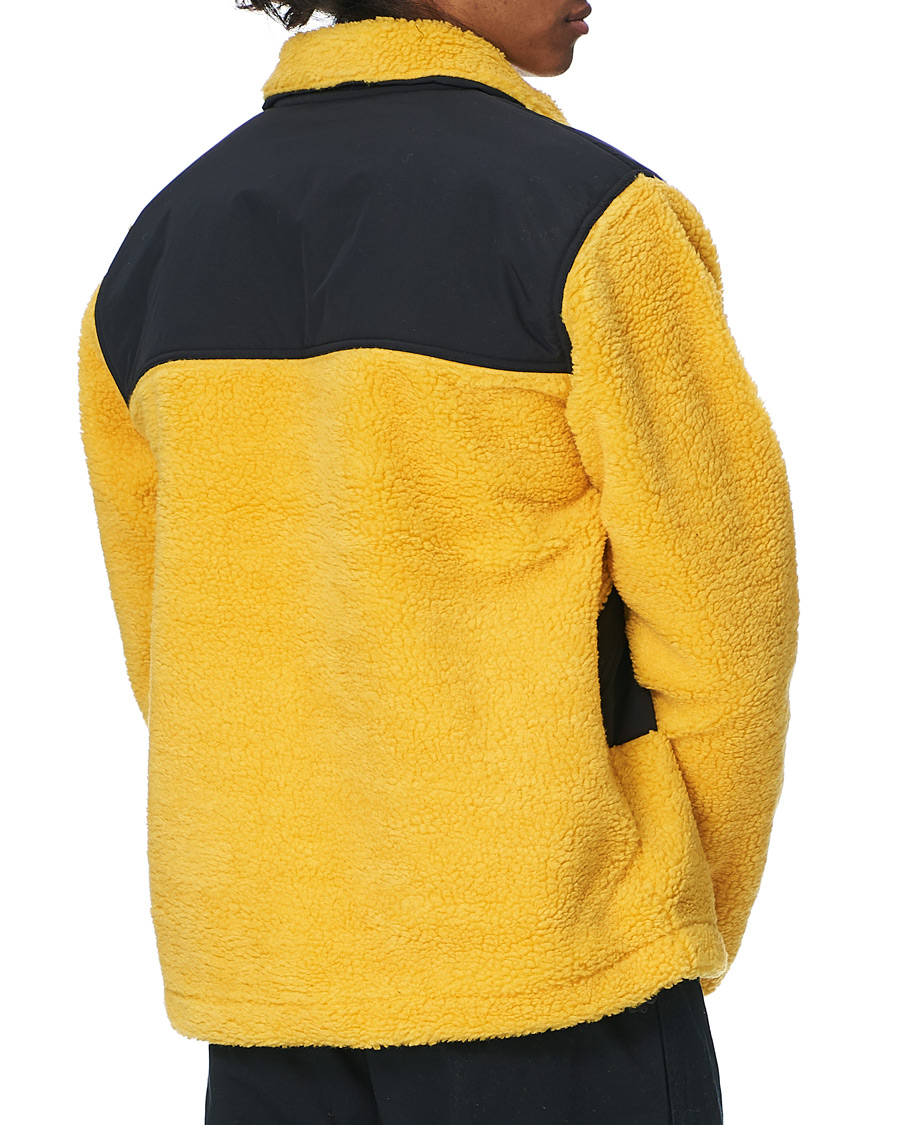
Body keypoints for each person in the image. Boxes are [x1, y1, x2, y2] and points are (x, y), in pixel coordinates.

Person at [76, 0, 800, 1120]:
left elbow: (167, 647)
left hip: (271, 980)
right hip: (553, 979)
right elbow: (728, 629)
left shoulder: (156, 251)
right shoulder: (596, 222)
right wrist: (666, 912)